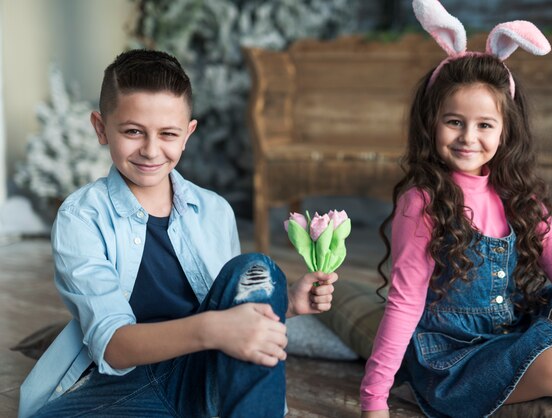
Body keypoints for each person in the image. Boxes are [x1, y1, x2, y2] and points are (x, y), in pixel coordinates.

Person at [18, 49, 338, 418]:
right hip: (123, 385)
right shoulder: (80, 218)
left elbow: (232, 307)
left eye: (167, 133)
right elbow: (112, 346)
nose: (151, 150)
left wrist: (289, 305)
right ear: (101, 128)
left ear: (188, 134)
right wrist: (213, 329)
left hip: (206, 376)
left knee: (256, 269)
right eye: (133, 131)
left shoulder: (215, 211)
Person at [360, 2, 552, 417]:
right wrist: (374, 401)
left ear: (505, 131)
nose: (469, 137)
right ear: (431, 123)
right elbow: (404, 302)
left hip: (512, 331)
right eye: (454, 122)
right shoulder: (423, 203)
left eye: (485, 124)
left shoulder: (517, 195)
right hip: (455, 364)